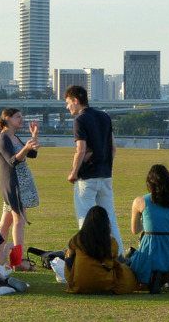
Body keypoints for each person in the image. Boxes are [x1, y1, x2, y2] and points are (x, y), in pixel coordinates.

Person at [65, 85, 124, 254]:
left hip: (87, 177)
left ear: (76, 101)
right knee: (109, 217)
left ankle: (88, 255)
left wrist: (74, 172)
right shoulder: (105, 117)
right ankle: (118, 254)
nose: (67, 106)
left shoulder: (79, 120)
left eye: (68, 102)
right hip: (105, 175)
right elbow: (113, 148)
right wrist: (106, 167)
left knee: (85, 218)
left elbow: (81, 150)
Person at [0, 108, 40, 271]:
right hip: (13, 184)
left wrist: (33, 137)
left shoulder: (14, 137)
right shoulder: (3, 138)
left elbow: (32, 155)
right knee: (19, 220)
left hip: (21, 182)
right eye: (18, 117)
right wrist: (26, 147)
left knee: (5, 223)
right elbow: (12, 160)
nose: (21, 119)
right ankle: (17, 261)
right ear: (7, 118)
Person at [129, 164, 169, 293]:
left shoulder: (140, 201)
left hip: (149, 246)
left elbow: (135, 230)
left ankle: (154, 277)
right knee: (167, 259)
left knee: (132, 262)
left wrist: (147, 221)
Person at [64, 205, 139, 294]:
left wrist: (71, 280)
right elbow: (113, 263)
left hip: (80, 284)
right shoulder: (111, 242)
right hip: (105, 284)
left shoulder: (77, 240)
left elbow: (68, 262)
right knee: (127, 272)